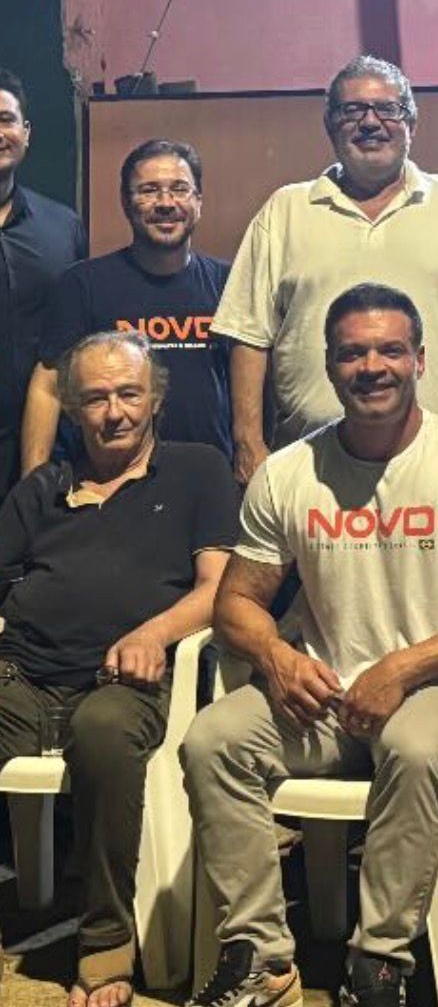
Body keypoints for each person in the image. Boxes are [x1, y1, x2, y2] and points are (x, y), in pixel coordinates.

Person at [182, 283, 438, 1007]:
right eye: (353, 353)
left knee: (416, 748)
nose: (373, 367)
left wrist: (401, 669)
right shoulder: (289, 472)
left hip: (435, 686)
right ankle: (261, 958)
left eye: (390, 350)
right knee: (211, 740)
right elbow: (234, 604)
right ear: (330, 366)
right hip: (322, 693)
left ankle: (379, 962)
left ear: (420, 360)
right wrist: (277, 657)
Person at [0, 331, 237, 1007]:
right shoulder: (43, 488)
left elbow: (220, 588)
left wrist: (154, 633)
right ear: (73, 410)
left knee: (103, 728)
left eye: (129, 394)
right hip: (22, 677)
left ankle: (105, 942)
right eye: (96, 398)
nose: (114, 412)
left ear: (155, 399)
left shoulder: (197, 470)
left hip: (128, 684)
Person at [211, 55, 438, 483]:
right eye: (352, 111)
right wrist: (248, 443)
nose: (370, 122)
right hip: (309, 469)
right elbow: (248, 334)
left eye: (387, 109)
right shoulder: (285, 210)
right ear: (330, 125)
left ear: (412, 123)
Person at [22, 139, 232, 471]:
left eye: (179, 189)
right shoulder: (83, 284)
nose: (166, 203)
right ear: (125, 202)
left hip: (208, 480)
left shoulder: (230, 283)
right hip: (106, 482)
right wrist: (33, 484)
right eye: (149, 190)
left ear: (198, 201)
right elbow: (48, 386)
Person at [0, 67, 85, 496]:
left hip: (45, 439)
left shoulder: (63, 227)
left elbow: (75, 334)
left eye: (6, 120)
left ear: (26, 132)